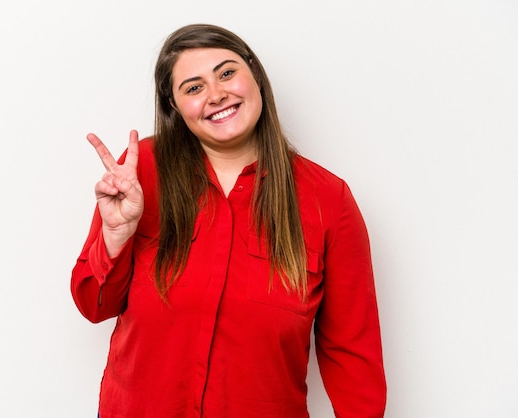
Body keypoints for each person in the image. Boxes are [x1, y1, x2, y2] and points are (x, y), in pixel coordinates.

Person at [71, 23, 386, 418]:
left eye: (226, 73)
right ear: (175, 106)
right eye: (193, 87)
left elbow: (353, 355)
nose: (216, 94)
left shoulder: (328, 200)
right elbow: (93, 306)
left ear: (255, 75)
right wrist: (115, 237)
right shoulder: (142, 171)